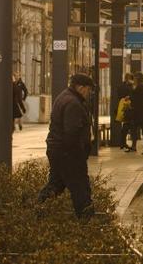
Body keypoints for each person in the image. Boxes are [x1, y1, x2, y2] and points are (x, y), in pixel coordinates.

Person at [38, 73, 96, 219]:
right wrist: (79, 155)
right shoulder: (73, 103)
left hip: (59, 151)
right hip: (69, 154)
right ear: (81, 88)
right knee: (80, 188)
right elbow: (72, 133)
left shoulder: (65, 97)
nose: (89, 94)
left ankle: (35, 209)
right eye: (89, 90)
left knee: (56, 185)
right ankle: (86, 221)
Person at [116, 73, 135, 150]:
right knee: (128, 125)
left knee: (126, 125)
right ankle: (123, 142)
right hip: (127, 108)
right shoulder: (129, 87)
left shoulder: (123, 86)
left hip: (127, 108)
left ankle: (123, 143)